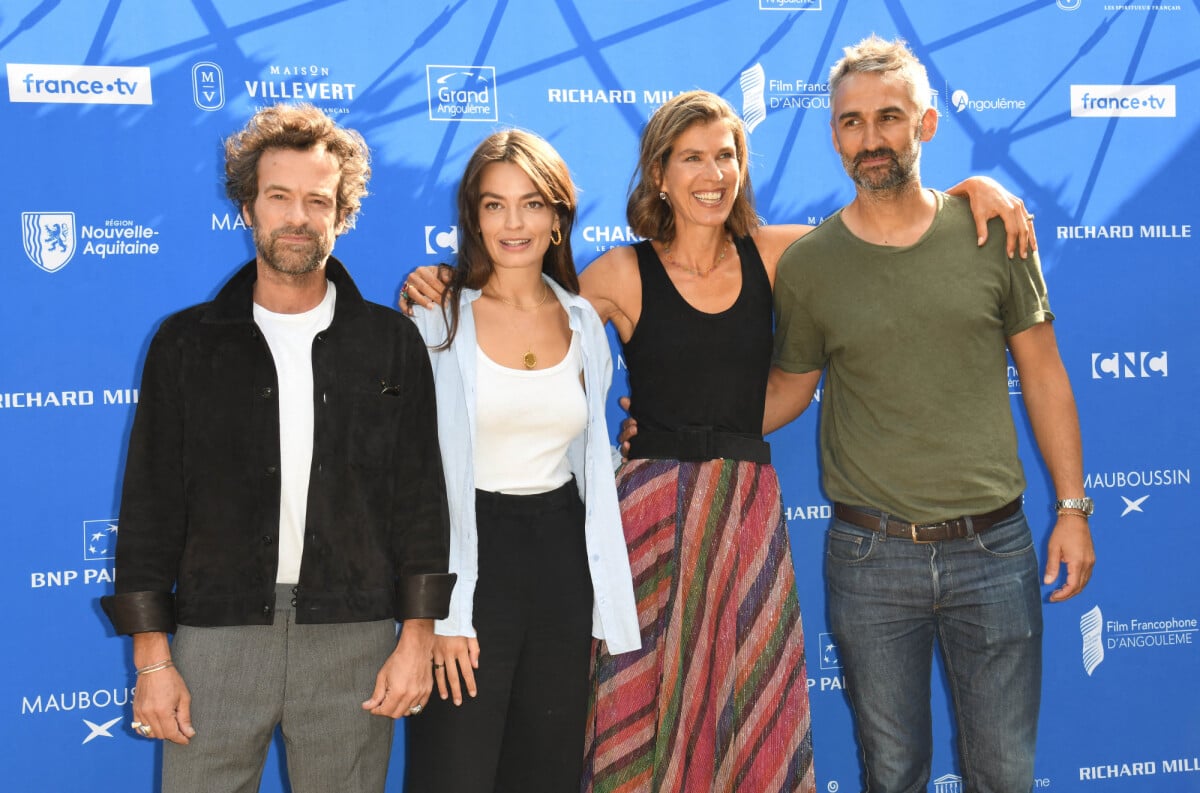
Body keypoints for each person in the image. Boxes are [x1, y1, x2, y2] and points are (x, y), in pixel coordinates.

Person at [400, 90, 1033, 793]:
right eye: (691, 158)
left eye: (725, 156)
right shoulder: (616, 272)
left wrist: (975, 189)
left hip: (745, 512)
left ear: (741, 168)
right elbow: (524, 294)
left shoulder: (781, 252)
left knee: (748, 704)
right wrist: (445, 281)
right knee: (637, 712)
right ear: (659, 174)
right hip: (644, 520)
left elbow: (884, 221)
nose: (711, 173)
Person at [765, 36, 1095, 793]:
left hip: (996, 551)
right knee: (892, 773)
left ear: (928, 124)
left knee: (1005, 773)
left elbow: (1044, 376)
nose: (871, 138)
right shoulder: (812, 264)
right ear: (833, 133)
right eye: (852, 122)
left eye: (889, 117)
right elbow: (788, 386)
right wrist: (681, 424)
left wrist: (1072, 508)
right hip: (869, 558)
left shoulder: (994, 233)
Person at [98, 103, 455, 793]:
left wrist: (417, 636)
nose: (298, 216)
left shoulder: (390, 342)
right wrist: (151, 658)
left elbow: (419, 500)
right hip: (216, 637)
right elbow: (148, 508)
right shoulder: (186, 343)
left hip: (354, 635)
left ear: (341, 213)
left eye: (318, 200)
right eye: (279, 197)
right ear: (247, 208)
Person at [403, 129, 640, 793]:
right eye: (494, 204)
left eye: (533, 203)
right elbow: (415, 476)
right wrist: (440, 613)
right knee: (455, 771)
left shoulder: (583, 321)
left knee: (546, 771)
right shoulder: (438, 317)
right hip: (469, 561)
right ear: (473, 218)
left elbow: (586, 454)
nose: (514, 222)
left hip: (561, 563)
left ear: (559, 217)